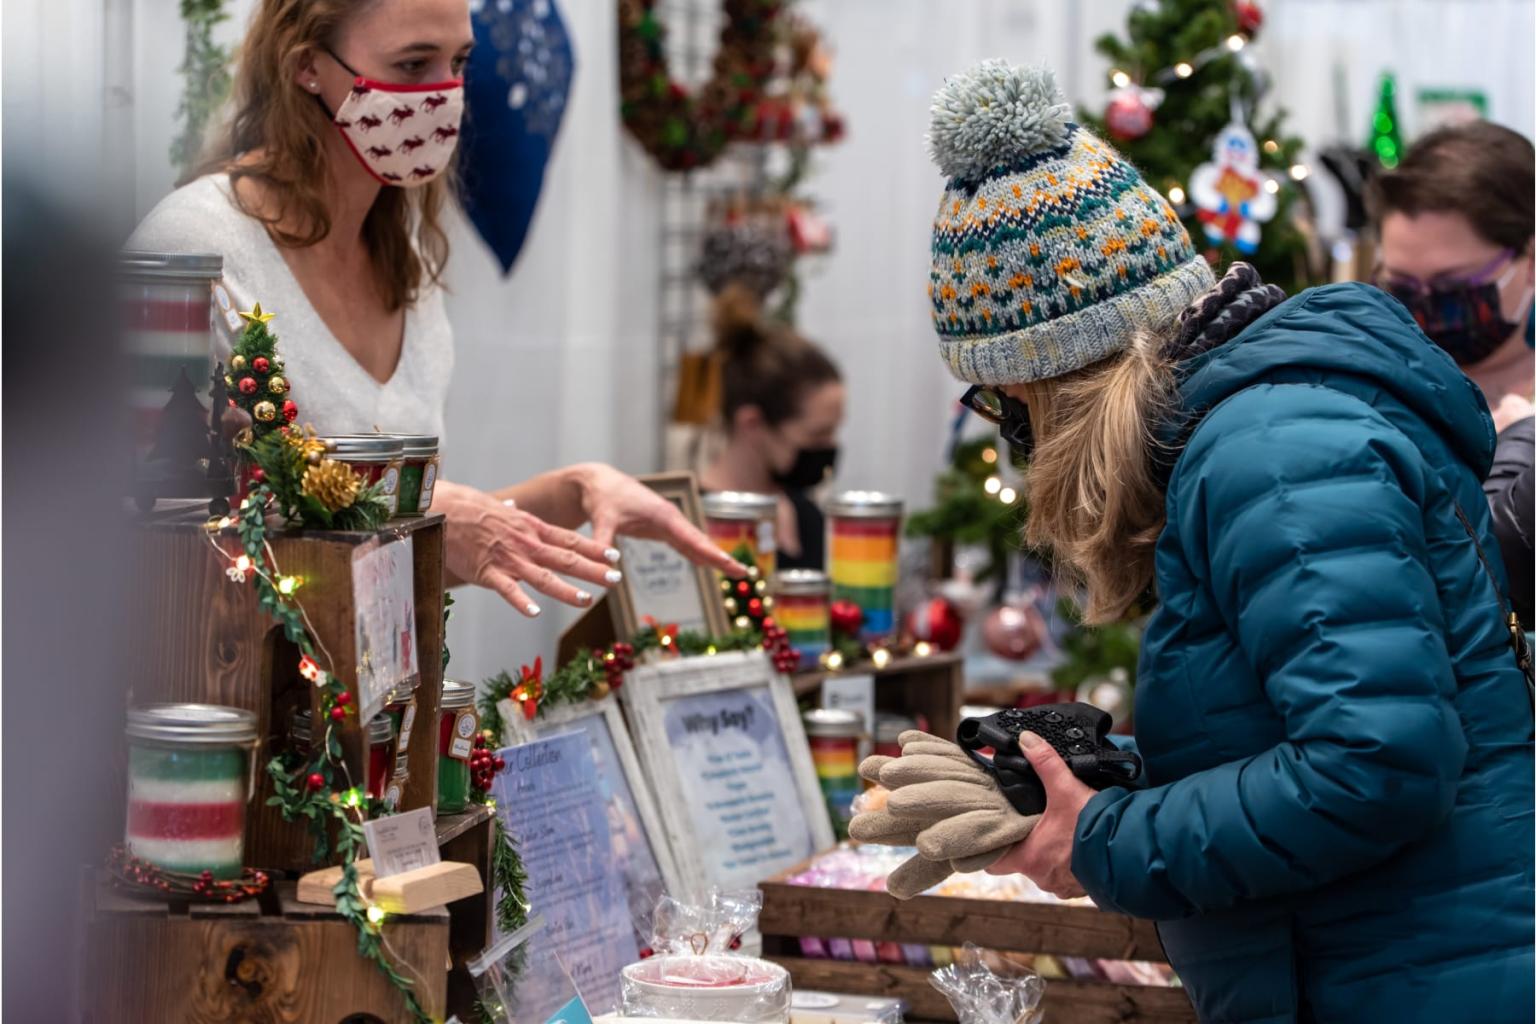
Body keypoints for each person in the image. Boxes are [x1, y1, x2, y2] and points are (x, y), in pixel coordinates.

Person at [924, 62, 1532, 1022]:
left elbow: (1376, 766)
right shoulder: (1255, 443)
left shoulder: (1270, 457)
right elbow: (1311, 720)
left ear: (1063, 378)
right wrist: (1099, 779)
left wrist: (1107, 841)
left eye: (1003, 402)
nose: (1011, 434)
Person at [129, 0, 739, 617]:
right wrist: (422, 515)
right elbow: (138, 534)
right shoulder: (193, 249)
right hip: (233, 697)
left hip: (377, 702)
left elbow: (398, 542)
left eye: (460, 62)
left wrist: (574, 491)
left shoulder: (407, 255)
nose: (445, 94)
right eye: (414, 63)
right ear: (307, 66)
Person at [1371, 121, 1534, 623]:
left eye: (1452, 285)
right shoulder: (1370, 383)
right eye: (1402, 285)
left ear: (1528, 261)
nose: (1423, 309)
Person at [698, 284, 844, 571]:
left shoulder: (807, 516)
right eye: (818, 434)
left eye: (834, 431)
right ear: (752, 423)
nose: (830, 447)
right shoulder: (693, 527)